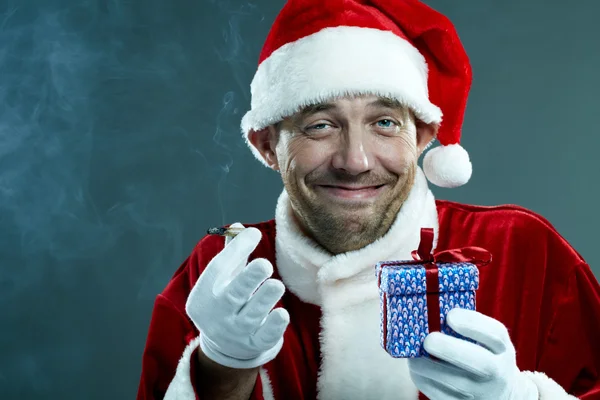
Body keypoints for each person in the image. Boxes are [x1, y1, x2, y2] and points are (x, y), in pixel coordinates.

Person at [136, 0, 600, 399]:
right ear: (266, 146)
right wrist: (221, 365)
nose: (355, 161)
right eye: (320, 125)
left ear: (421, 137)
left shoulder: (524, 251)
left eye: (384, 123)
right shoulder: (220, 274)